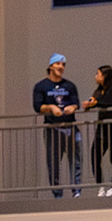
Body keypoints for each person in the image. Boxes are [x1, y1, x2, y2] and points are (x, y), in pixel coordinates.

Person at [34, 52, 82, 198]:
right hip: (53, 129)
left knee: (76, 161)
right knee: (54, 163)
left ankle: (76, 191)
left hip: (71, 127)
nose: (61, 67)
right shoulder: (41, 86)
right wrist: (50, 108)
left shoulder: (69, 85)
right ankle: (57, 194)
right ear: (50, 66)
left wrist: (72, 108)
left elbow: (76, 103)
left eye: (63, 64)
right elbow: (38, 106)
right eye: (58, 64)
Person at [84, 63, 112, 196]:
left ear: (105, 76)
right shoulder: (98, 90)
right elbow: (94, 100)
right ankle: (100, 185)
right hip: (102, 129)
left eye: (98, 74)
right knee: (95, 156)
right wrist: (88, 104)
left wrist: (97, 103)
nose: (96, 76)